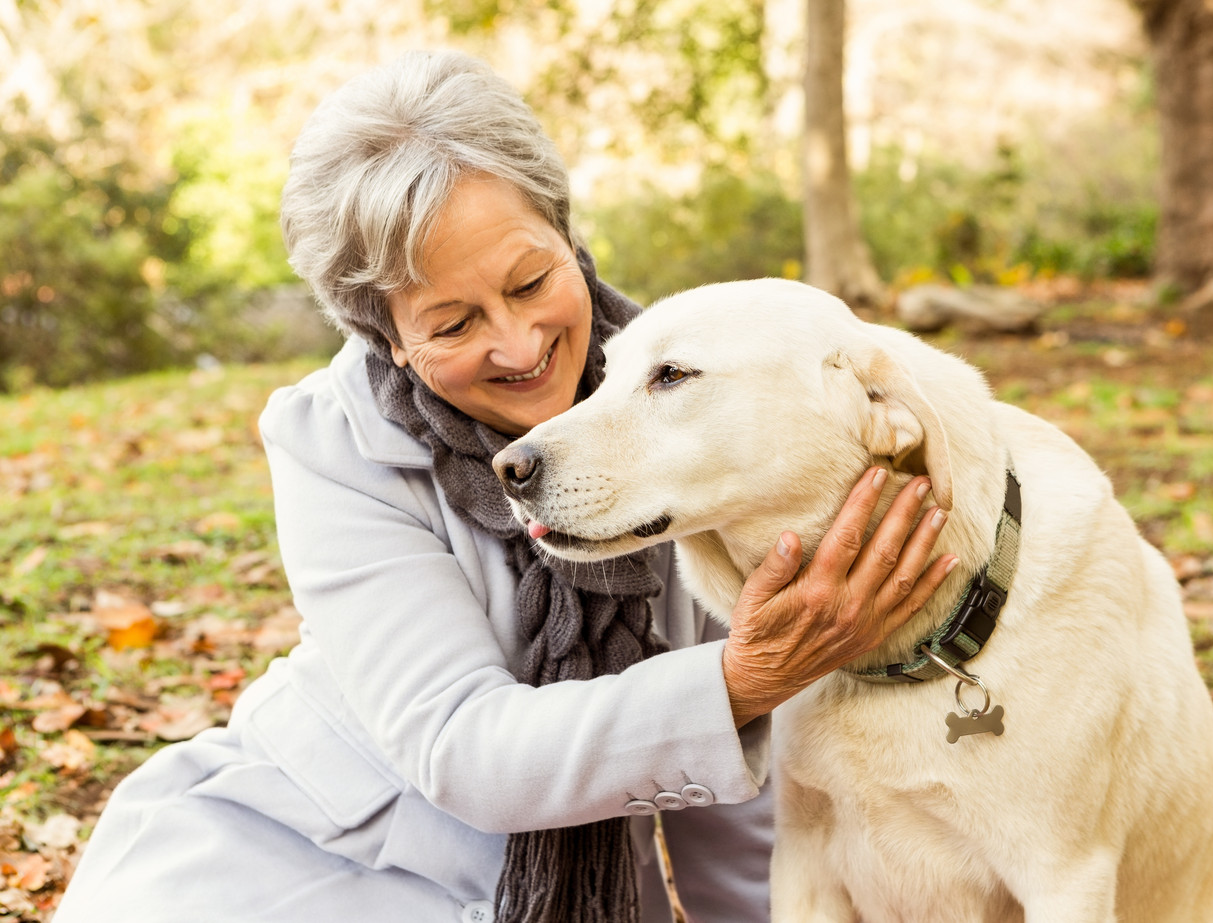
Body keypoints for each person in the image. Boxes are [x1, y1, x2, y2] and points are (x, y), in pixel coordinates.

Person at [53, 50, 955, 923]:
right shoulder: (329, 441)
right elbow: (463, 748)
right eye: (453, 322)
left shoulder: (705, 392)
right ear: (389, 340)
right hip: (295, 857)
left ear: (569, 236)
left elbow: (746, 801)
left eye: (532, 281)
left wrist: (750, 688)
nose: (522, 346)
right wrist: (740, 678)